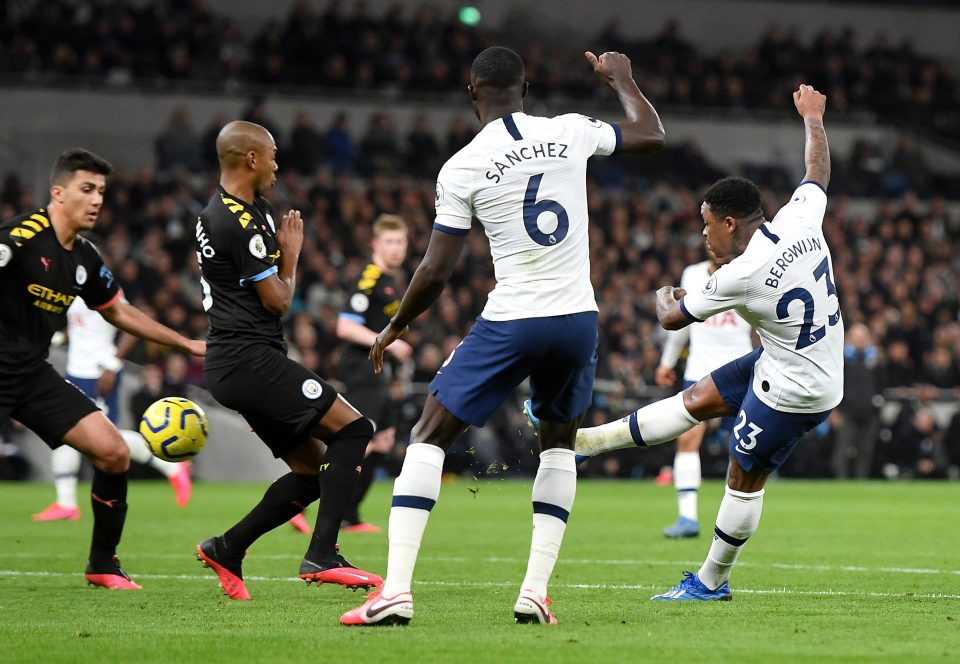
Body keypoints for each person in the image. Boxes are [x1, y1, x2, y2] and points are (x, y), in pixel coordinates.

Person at [341, 46, 665, 626]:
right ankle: (534, 593)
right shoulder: (569, 131)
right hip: (575, 319)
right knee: (560, 445)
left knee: (427, 434)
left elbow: (436, 269)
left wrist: (395, 325)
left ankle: (395, 591)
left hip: (514, 317)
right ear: (527, 87)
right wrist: (622, 79)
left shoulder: (462, 165)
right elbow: (650, 134)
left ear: (472, 92)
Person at [547, 85, 840, 601]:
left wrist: (666, 292)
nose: (704, 239)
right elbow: (816, 173)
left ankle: (712, 582)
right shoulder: (799, 217)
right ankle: (588, 443)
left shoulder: (739, 273)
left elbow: (670, 318)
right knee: (695, 400)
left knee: (742, 476)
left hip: (797, 387)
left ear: (730, 223)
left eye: (707, 228)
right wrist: (814, 118)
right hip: (795, 356)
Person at [0, 148, 206, 589]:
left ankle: (102, 564)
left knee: (112, 453)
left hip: (31, 375)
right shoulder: (19, 238)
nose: (96, 199)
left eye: (101, 192)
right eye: (86, 189)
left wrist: (185, 342)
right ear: (58, 192)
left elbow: (119, 312)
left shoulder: (85, 258)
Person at [194, 120, 381, 601]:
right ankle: (323, 554)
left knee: (311, 472)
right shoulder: (231, 220)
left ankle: (227, 547)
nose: (278, 164)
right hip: (247, 358)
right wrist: (291, 257)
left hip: (240, 359)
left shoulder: (244, 209)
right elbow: (278, 301)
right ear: (251, 159)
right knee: (355, 429)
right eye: (272, 155)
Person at [32, 296, 193, 523]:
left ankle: (170, 466)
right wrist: (60, 337)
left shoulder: (92, 274)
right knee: (65, 431)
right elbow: (82, 322)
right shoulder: (70, 279)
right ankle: (65, 503)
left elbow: (132, 319)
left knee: (104, 439)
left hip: (98, 372)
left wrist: (113, 363)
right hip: (77, 370)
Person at [653, 256, 754, 538]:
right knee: (687, 437)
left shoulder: (747, 270)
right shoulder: (692, 274)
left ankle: (734, 520)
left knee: (743, 445)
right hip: (700, 369)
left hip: (739, 366)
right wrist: (667, 362)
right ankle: (688, 518)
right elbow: (681, 320)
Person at [335, 213, 412, 533]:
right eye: (389, 242)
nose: (395, 249)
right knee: (360, 440)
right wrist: (388, 344)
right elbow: (345, 326)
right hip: (361, 366)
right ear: (375, 244)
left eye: (400, 242)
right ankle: (311, 501)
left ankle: (350, 516)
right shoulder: (369, 277)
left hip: (378, 368)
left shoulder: (391, 279)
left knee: (383, 440)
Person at [831, 323, 882, 478]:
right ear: (849, 339)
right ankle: (841, 483)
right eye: (856, 337)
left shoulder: (875, 361)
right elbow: (834, 385)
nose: (859, 340)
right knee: (843, 450)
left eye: (862, 337)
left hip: (870, 412)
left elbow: (882, 385)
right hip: (847, 412)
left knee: (866, 451)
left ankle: (861, 482)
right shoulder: (841, 359)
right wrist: (834, 410)